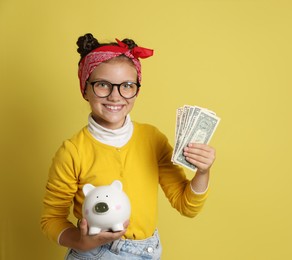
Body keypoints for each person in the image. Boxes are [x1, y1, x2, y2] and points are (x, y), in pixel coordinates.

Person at [41, 33, 216, 259]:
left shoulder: (152, 139)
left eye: (127, 85)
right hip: (94, 254)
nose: (116, 96)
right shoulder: (72, 152)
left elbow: (187, 206)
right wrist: (81, 242)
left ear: (137, 90)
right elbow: (51, 219)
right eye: (103, 85)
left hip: (148, 251)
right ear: (85, 89)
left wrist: (203, 171)